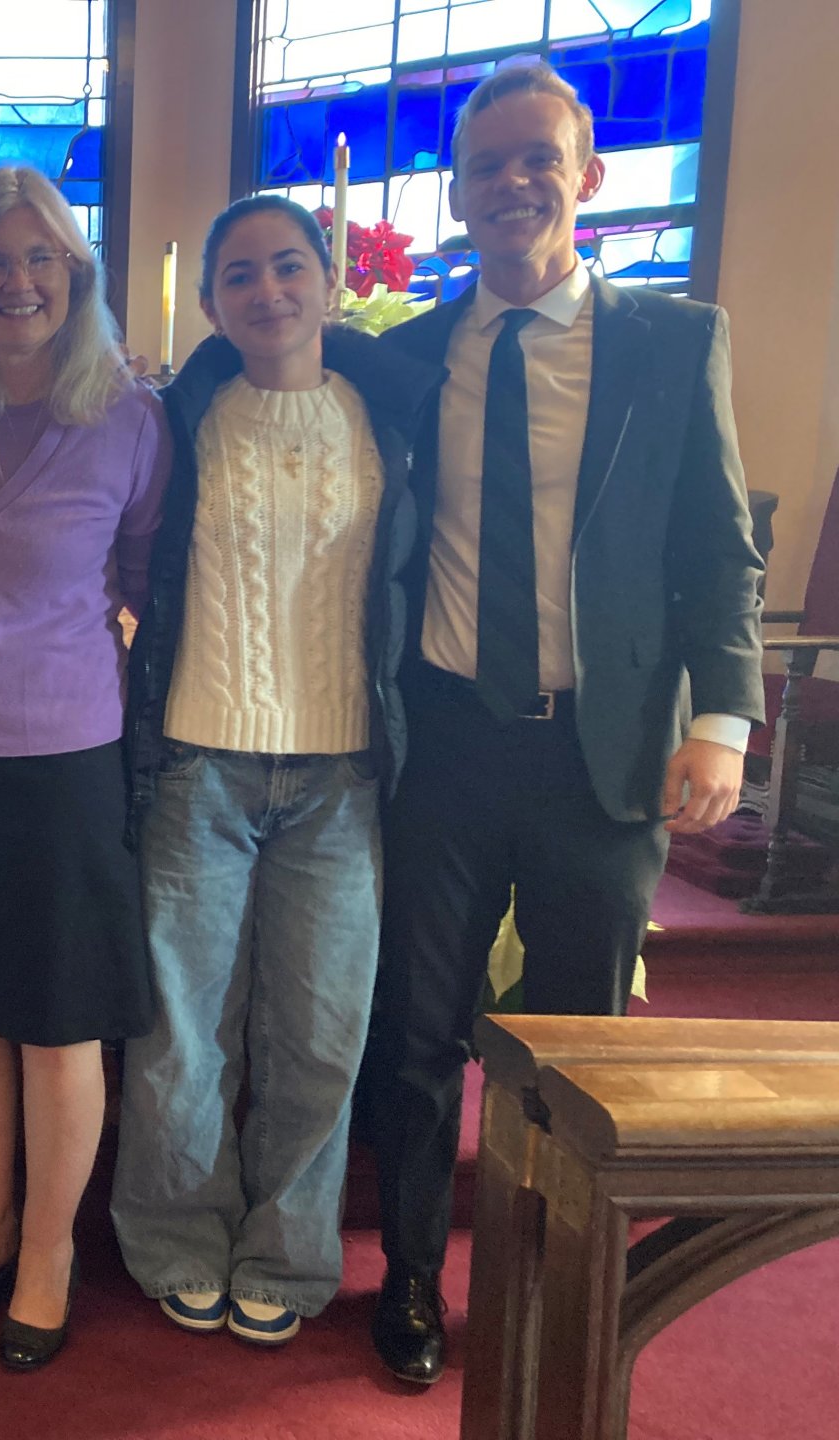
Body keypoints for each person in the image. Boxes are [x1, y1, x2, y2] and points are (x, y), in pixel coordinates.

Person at [362, 60, 764, 1385]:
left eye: (540, 157)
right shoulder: (408, 357)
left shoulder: (672, 342)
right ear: (458, 194)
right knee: (416, 1032)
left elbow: (720, 553)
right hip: (443, 744)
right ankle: (409, 1279)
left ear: (586, 176)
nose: (513, 182)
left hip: (605, 748)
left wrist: (724, 720)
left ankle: (546, 1282)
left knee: (581, 1046)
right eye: (487, 164)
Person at [109, 195, 436, 1350]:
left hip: (342, 775)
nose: (268, 290)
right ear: (209, 302)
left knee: (319, 1032)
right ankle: (176, 1235)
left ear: (330, 282)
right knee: (181, 1030)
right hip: (198, 763)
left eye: (289, 266)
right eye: (240, 274)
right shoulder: (176, 419)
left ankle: (290, 1255)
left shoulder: (395, 415)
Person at [0, 165, 164, 1371]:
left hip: (65, 762)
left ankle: (49, 1250)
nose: (17, 282)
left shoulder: (128, 418)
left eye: (40, 258)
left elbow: (151, 580)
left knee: (57, 1022)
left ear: (76, 273)